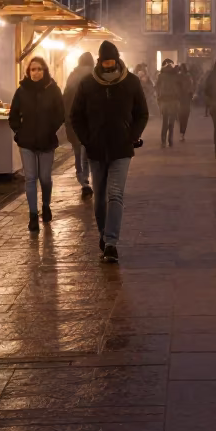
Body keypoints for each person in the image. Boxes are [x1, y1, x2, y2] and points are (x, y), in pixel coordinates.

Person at [70, 41, 149, 264]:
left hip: (122, 148)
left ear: (117, 60)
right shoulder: (87, 84)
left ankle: (112, 242)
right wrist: (87, 139)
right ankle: (103, 234)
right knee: (99, 198)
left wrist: (132, 135)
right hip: (95, 149)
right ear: (99, 61)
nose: (108, 65)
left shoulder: (131, 82)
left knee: (115, 194)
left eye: (111, 60)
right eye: (104, 61)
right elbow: (76, 115)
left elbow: (142, 113)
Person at [10, 56, 65, 233]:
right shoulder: (21, 91)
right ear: (28, 72)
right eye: (33, 69)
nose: (36, 72)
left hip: (47, 141)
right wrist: (18, 131)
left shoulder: (53, 89)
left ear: (45, 71)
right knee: (31, 178)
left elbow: (60, 113)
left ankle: (46, 205)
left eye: (39, 69)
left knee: (45, 178)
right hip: (26, 142)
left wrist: (51, 129)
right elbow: (13, 114)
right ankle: (33, 215)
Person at [65, 52, 96, 197]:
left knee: (77, 151)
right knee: (87, 150)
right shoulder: (95, 76)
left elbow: (65, 98)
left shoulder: (72, 76)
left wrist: (65, 118)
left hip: (73, 119)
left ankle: (82, 180)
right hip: (89, 120)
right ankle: (86, 177)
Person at [155, 60, 180, 147]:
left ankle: (163, 141)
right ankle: (170, 140)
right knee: (172, 122)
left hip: (164, 100)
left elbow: (157, 87)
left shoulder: (161, 76)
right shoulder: (176, 76)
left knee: (165, 121)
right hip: (173, 100)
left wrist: (158, 97)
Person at [176, 64, 194, 141]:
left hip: (180, 99)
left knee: (180, 117)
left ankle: (181, 132)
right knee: (185, 117)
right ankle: (182, 133)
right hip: (186, 99)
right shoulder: (188, 77)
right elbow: (191, 88)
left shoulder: (178, 77)